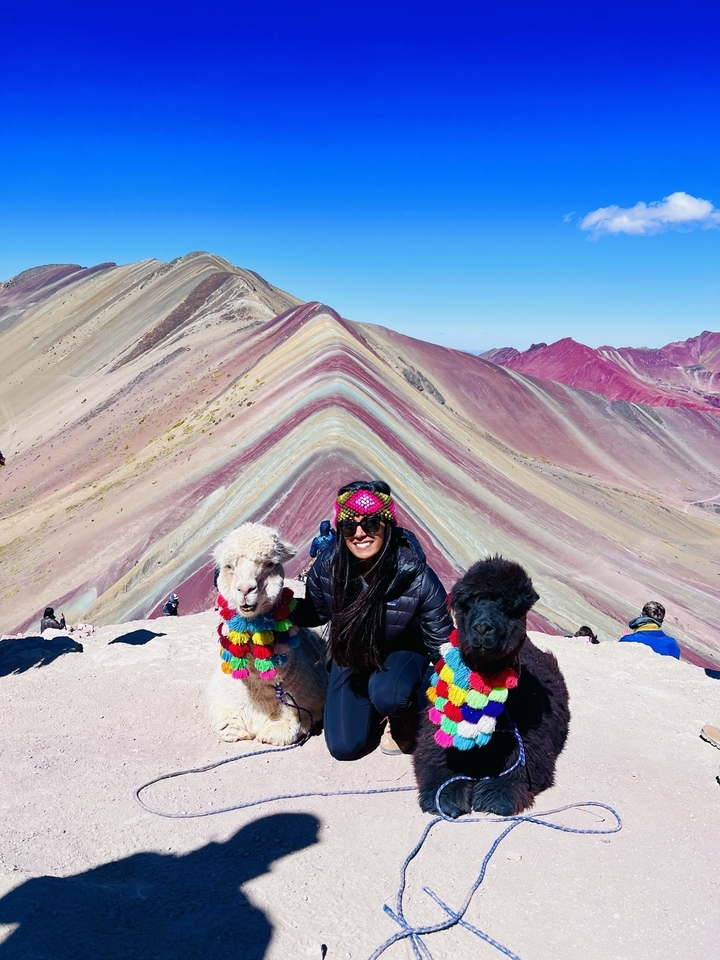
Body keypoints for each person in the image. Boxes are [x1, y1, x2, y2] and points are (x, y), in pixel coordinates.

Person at [293, 480, 452, 759]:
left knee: (389, 694)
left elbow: (442, 642)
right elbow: (316, 612)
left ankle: (401, 714)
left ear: (387, 524)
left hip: (401, 651)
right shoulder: (328, 566)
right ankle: (376, 699)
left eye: (371, 523)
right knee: (344, 747)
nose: (359, 533)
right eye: (348, 526)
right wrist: (272, 605)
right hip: (350, 654)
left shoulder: (416, 575)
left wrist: (464, 688)